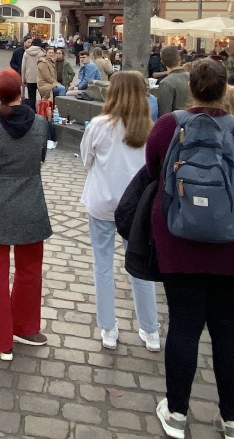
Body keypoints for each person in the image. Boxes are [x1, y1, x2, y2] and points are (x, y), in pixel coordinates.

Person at [146, 60, 234, 439]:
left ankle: (178, 414)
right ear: (225, 90)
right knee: (229, 331)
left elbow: (153, 169)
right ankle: (232, 420)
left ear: (191, 89)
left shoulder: (169, 125)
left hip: (180, 240)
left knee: (183, 326)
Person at [80, 72, 161, 352]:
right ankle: (150, 329)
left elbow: (85, 159)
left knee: (102, 265)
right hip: (136, 206)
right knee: (141, 265)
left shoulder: (99, 125)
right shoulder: (151, 128)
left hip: (103, 200)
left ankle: (108, 328)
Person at [0, 70, 52, 361]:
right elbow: (40, 160)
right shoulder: (41, 124)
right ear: (20, 90)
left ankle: (1, 340)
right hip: (31, 204)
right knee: (30, 270)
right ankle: (25, 326)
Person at [155, 46, 191, 115]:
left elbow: (164, 114)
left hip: (177, 123)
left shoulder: (166, 83)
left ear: (162, 62)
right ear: (179, 58)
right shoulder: (193, 77)